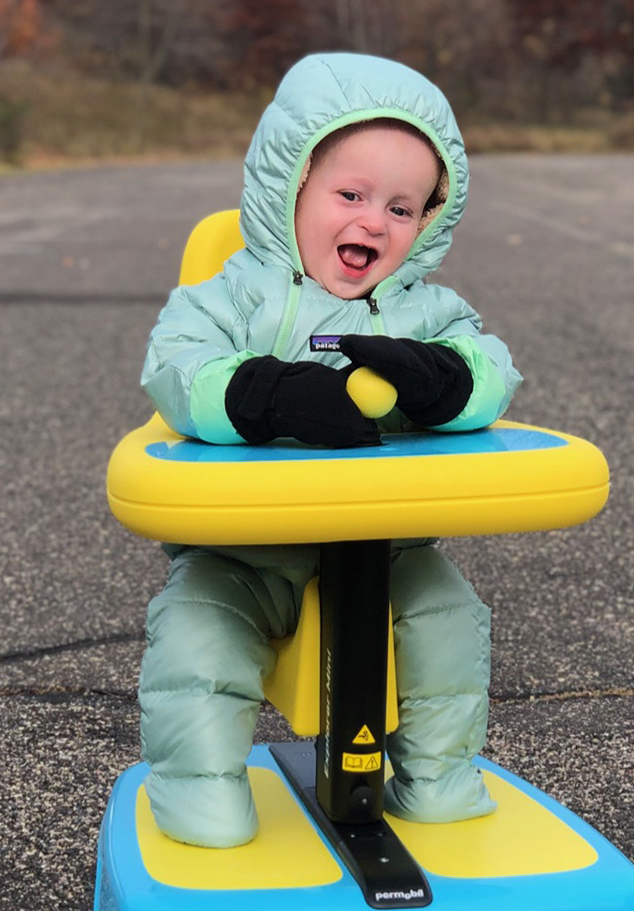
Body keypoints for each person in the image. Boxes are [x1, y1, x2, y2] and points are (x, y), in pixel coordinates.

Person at [136, 52, 522, 848]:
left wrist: (441, 378)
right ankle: (199, 798)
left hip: (386, 548)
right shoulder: (230, 294)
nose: (374, 222)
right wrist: (268, 394)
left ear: (431, 222)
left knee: (451, 619)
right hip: (244, 552)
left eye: (403, 208)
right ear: (292, 189)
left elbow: (495, 374)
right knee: (195, 642)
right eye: (350, 194)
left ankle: (438, 780)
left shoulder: (427, 309)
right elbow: (175, 368)